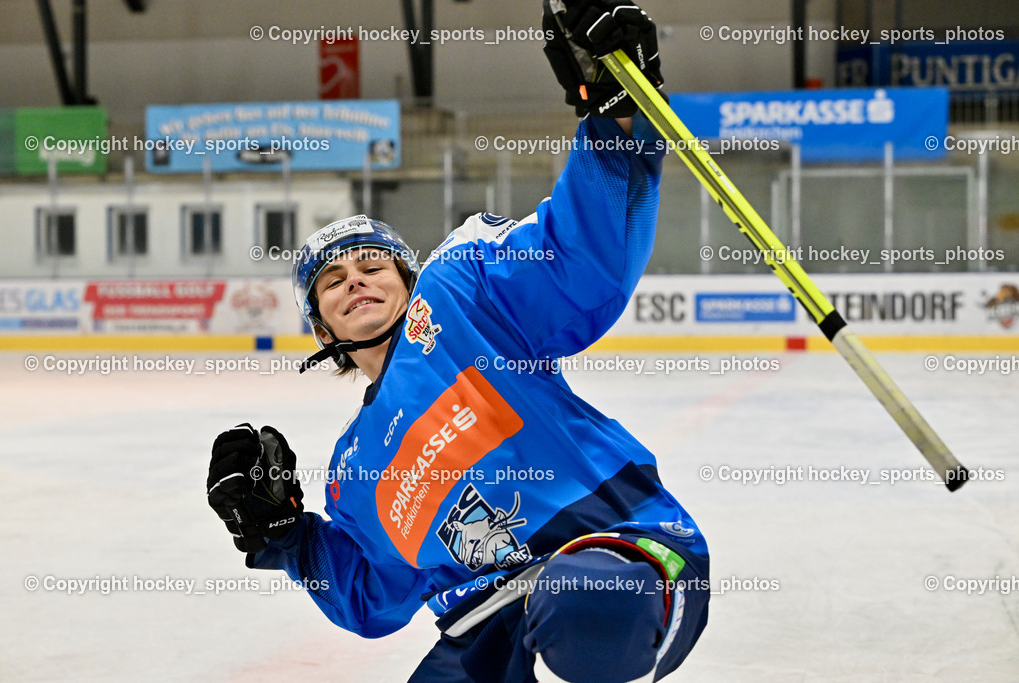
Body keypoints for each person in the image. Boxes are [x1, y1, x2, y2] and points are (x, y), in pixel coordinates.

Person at [207, 2, 709, 680]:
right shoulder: (354, 468)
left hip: (618, 551)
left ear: (409, 281)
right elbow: (371, 597)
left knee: (587, 604)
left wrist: (616, 113)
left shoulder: (462, 289)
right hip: (486, 620)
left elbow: (580, 262)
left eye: (372, 263)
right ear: (322, 329)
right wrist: (285, 534)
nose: (354, 279)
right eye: (332, 280)